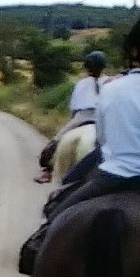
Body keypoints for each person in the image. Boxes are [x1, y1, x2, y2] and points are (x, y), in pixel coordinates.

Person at [15, 23, 140, 277]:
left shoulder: (113, 89)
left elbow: (103, 140)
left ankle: (38, 276)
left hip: (114, 175)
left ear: (133, 51)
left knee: (58, 210)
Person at [35, 49, 108, 182]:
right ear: (103, 66)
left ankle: (47, 170)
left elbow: (74, 109)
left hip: (81, 117)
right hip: (104, 118)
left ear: (87, 67)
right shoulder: (109, 81)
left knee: (57, 140)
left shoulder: (80, 84)